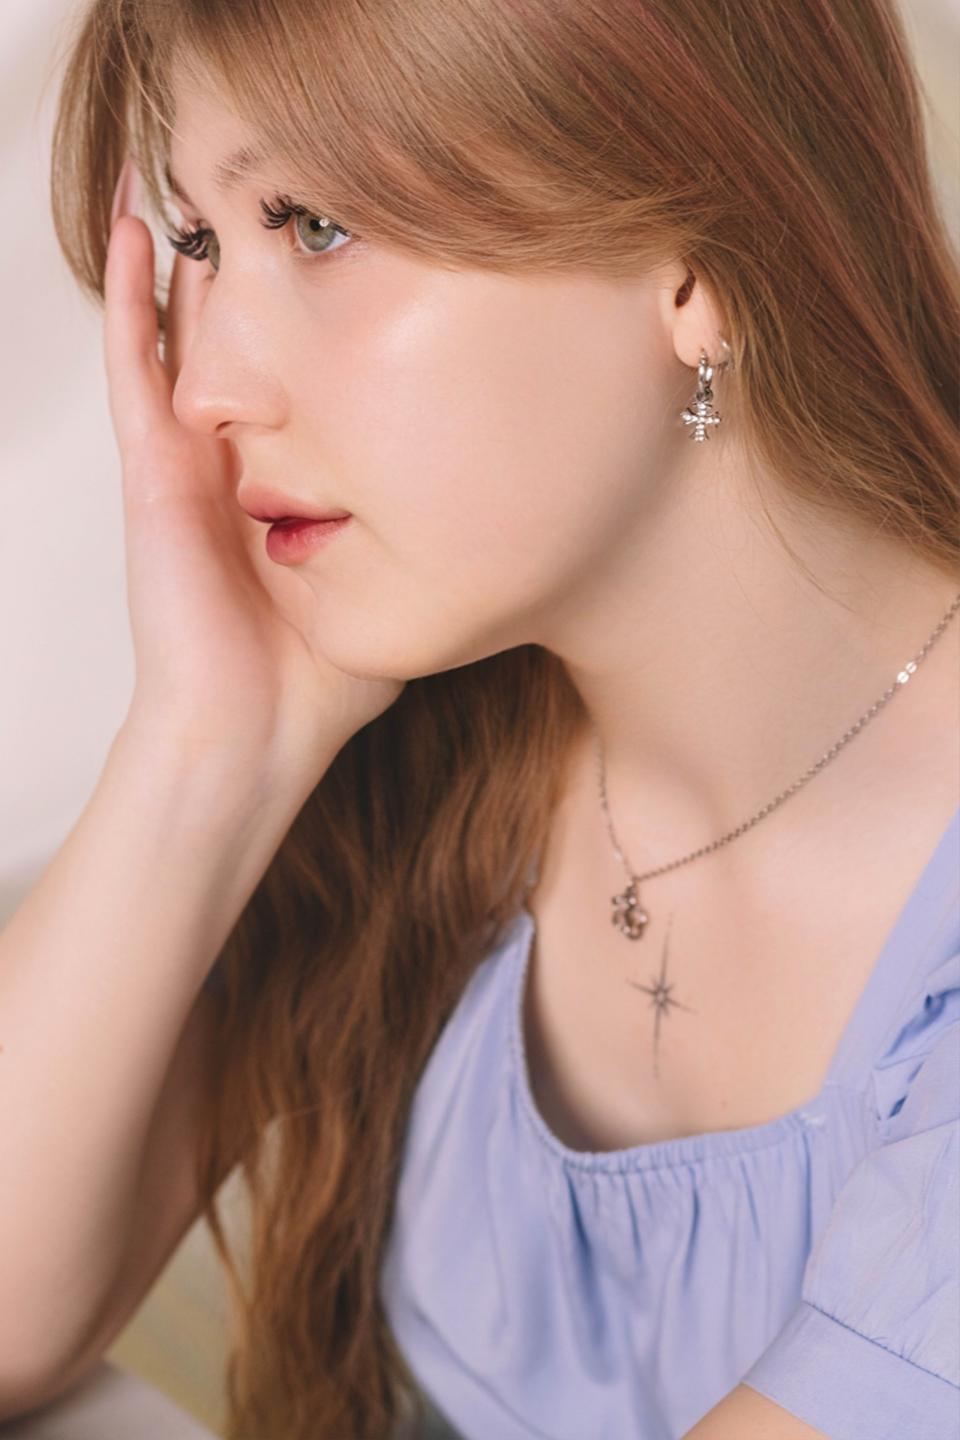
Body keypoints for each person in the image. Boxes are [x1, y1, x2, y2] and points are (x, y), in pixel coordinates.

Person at [1, 0, 957, 1437]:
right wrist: (212, 745)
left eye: (316, 227)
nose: (203, 389)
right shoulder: (424, 755)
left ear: (692, 267)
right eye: (196, 243)